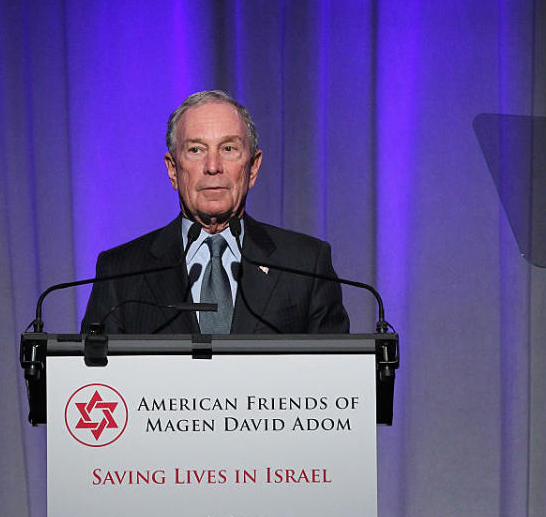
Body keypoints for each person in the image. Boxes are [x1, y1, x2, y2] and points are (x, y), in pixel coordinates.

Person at [80, 90, 350, 334]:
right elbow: (94, 380)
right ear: (173, 170)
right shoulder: (121, 272)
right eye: (196, 150)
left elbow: (336, 376)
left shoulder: (305, 265)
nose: (213, 166)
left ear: (253, 168)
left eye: (228, 149)